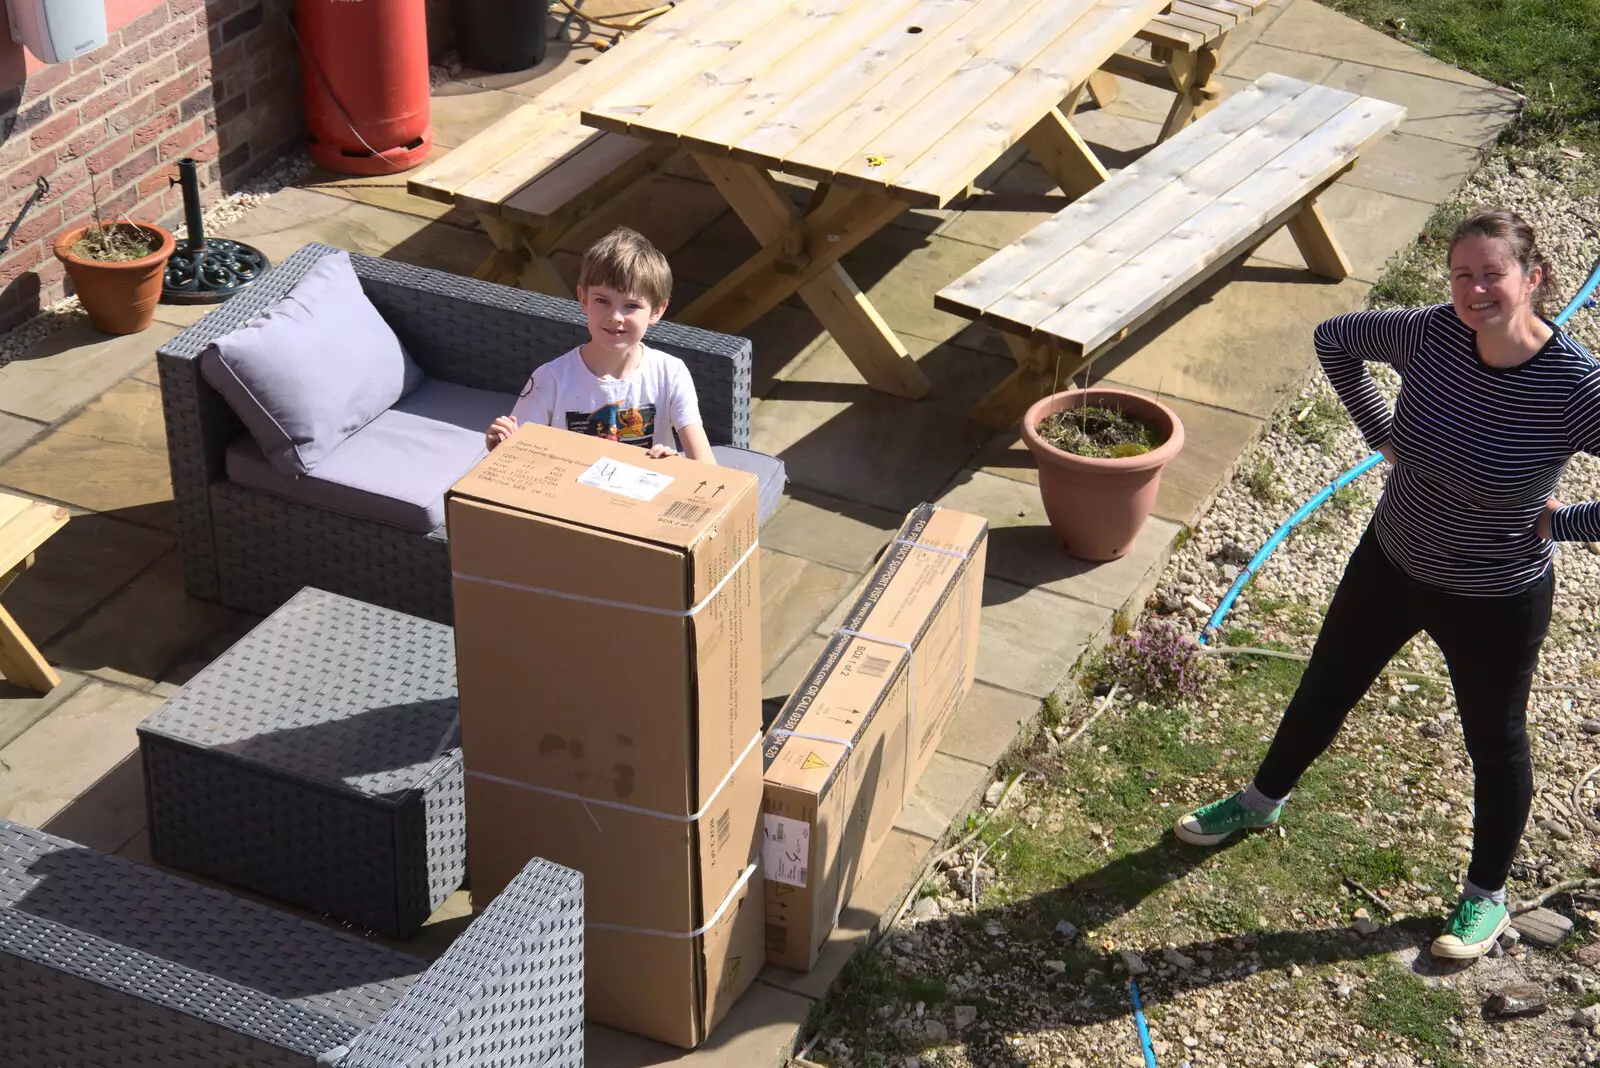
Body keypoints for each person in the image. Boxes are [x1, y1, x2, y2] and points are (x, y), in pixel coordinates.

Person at [1173, 208, 1599, 960]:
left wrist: (1561, 525)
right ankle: (1259, 802)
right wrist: (1380, 433)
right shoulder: (1429, 333)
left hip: (1493, 596)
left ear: (1533, 279)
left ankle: (1485, 898)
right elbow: (1334, 338)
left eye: (1491, 274)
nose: (1474, 291)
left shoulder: (1574, 387)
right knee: (1326, 685)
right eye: (1461, 275)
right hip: (1391, 560)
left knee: (1493, 743)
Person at [485, 226, 716, 465]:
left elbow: (706, 464)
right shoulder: (550, 379)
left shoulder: (670, 373)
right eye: (602, 301)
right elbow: (517, 459)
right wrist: (501, 446)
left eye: (631, 305)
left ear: (657, 311)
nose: (615, 316)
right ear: (583, 299)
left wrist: (679, 468)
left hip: (645, 496)